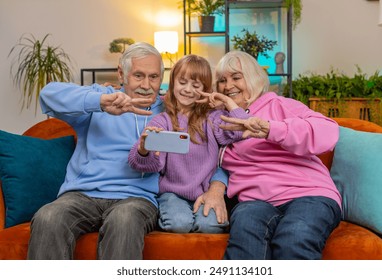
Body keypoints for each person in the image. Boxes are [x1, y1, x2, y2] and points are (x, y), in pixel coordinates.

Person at [27, 42, 166, 260]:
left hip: (136, 198)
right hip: (82, 195)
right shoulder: (101, 98)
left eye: (154, 77)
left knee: (124, 219)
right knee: (49, 216)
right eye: (138, 75)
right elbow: (48, 95)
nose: (146, 85)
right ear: (122, 74)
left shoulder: (169, 109)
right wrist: (100, 102)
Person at [202, 50, 342, 260]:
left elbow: (328, 132)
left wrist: (270, 129)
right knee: (244, 248)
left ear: (253, 79)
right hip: (254, 202)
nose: (228, 85)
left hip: (308, 194)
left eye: (236, 77)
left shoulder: (278, 105)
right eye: (222, 80)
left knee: (293, 239)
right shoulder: (218, 122)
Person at [128, 54, 247, 234]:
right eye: (182, 82)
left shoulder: (213, 118)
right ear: (173, 82)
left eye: (196, 85)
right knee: (179, 223)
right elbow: (147, 164)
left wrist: (227, 103)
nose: (188, 90)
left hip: (206, 192)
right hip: (172, 194)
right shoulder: (162, 121)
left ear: (205, 89)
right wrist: (144, 150)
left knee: (210, 226)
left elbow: (239, 131)